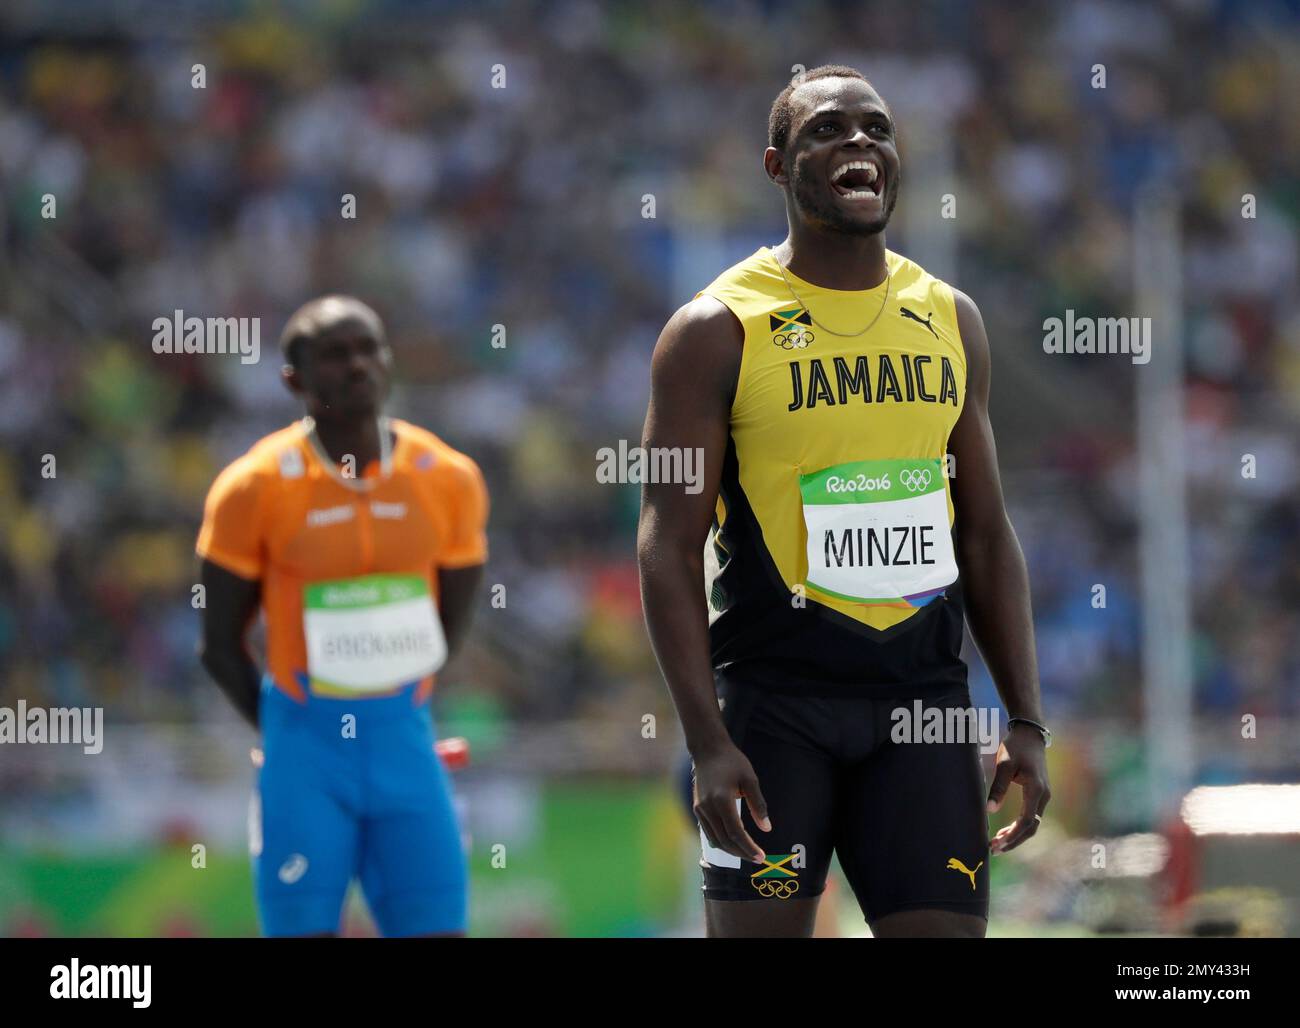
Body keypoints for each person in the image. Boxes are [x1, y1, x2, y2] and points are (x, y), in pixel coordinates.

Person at [637, 66, 1051, 938]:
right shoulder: (717, 328)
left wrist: (1025, 719)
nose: (859, 141)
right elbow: (666, 546)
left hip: (925, 707)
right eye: (828, 130)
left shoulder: (949, 316)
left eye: (876, 128)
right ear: (777, 165)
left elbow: (983, 535)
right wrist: (707, 741)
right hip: (773, 711)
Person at [196, 295, 488, 937]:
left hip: (406, 740)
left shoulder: (449, 478)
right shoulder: (254, 488)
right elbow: (219, 645)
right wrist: (288, 726)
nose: (357, 365)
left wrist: (402, 689)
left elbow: (452, 613)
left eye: (368, 348)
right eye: (334, 355)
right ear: (293, 378)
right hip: (304, 748)